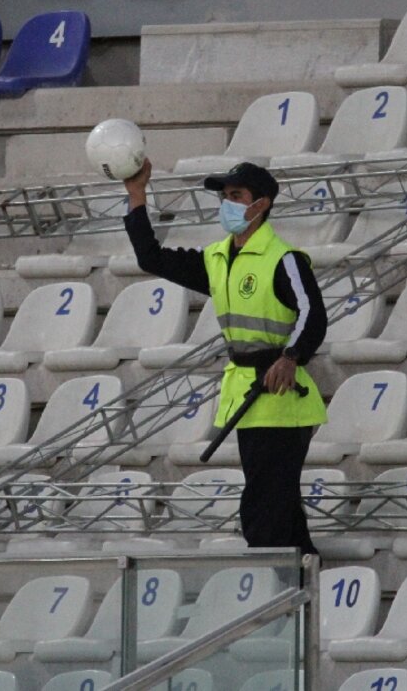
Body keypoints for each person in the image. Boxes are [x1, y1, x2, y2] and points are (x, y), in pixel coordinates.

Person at [123, 158, 327, 555]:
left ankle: (276, 581)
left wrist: (291, 357)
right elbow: (151, 257)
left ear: (261, 204)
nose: (227, 204)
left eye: (236, 196)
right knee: (277, 504)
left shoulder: (284, 258)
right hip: (248, 393)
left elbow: (312, 313)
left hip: (281, 396)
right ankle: (303, 582)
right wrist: (136, 195)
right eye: (225, 197)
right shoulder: (216, 258)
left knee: (265, 505)